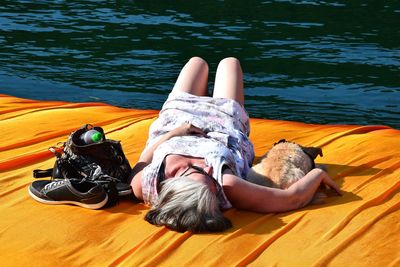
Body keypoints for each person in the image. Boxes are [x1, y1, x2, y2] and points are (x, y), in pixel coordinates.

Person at [130, 57, 341, 233]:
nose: (209, 170)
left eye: (194, 175)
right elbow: (291, 199)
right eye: (212, 189)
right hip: (223, 121)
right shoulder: (227, 184)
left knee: (197, 62)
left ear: (173, 186)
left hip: (176, 119)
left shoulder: (148, 183)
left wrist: (175, 132)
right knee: (229, 63)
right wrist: (318, 175)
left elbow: (143, 159)